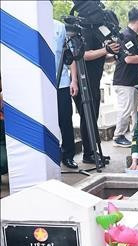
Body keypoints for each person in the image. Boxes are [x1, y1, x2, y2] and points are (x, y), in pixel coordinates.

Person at [72, 16, 120, 164]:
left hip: (93, 83)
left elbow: (99, 56)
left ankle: (93, 151)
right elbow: (83, 55)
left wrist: (112, 56)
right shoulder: (85, 31)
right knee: (87, 118)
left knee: (93, 118)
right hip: (83, 82)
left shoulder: (97, 34)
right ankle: (88, 154)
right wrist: (106, 49)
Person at [112, 7, 138, 148]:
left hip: (132, 81)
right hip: (124, 81)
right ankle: (118, 136)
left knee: (136, 110)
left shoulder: (132, 36)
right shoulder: (126, 36)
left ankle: (136, 134)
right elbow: (128, 59)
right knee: (126, 109)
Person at [54, 19, 81, 169]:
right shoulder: (32, 23)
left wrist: (74, 80)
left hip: (62, 82)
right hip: (40, 84)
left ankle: (68, 155)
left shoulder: (59, 27)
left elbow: (70, 58)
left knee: (65, 120)